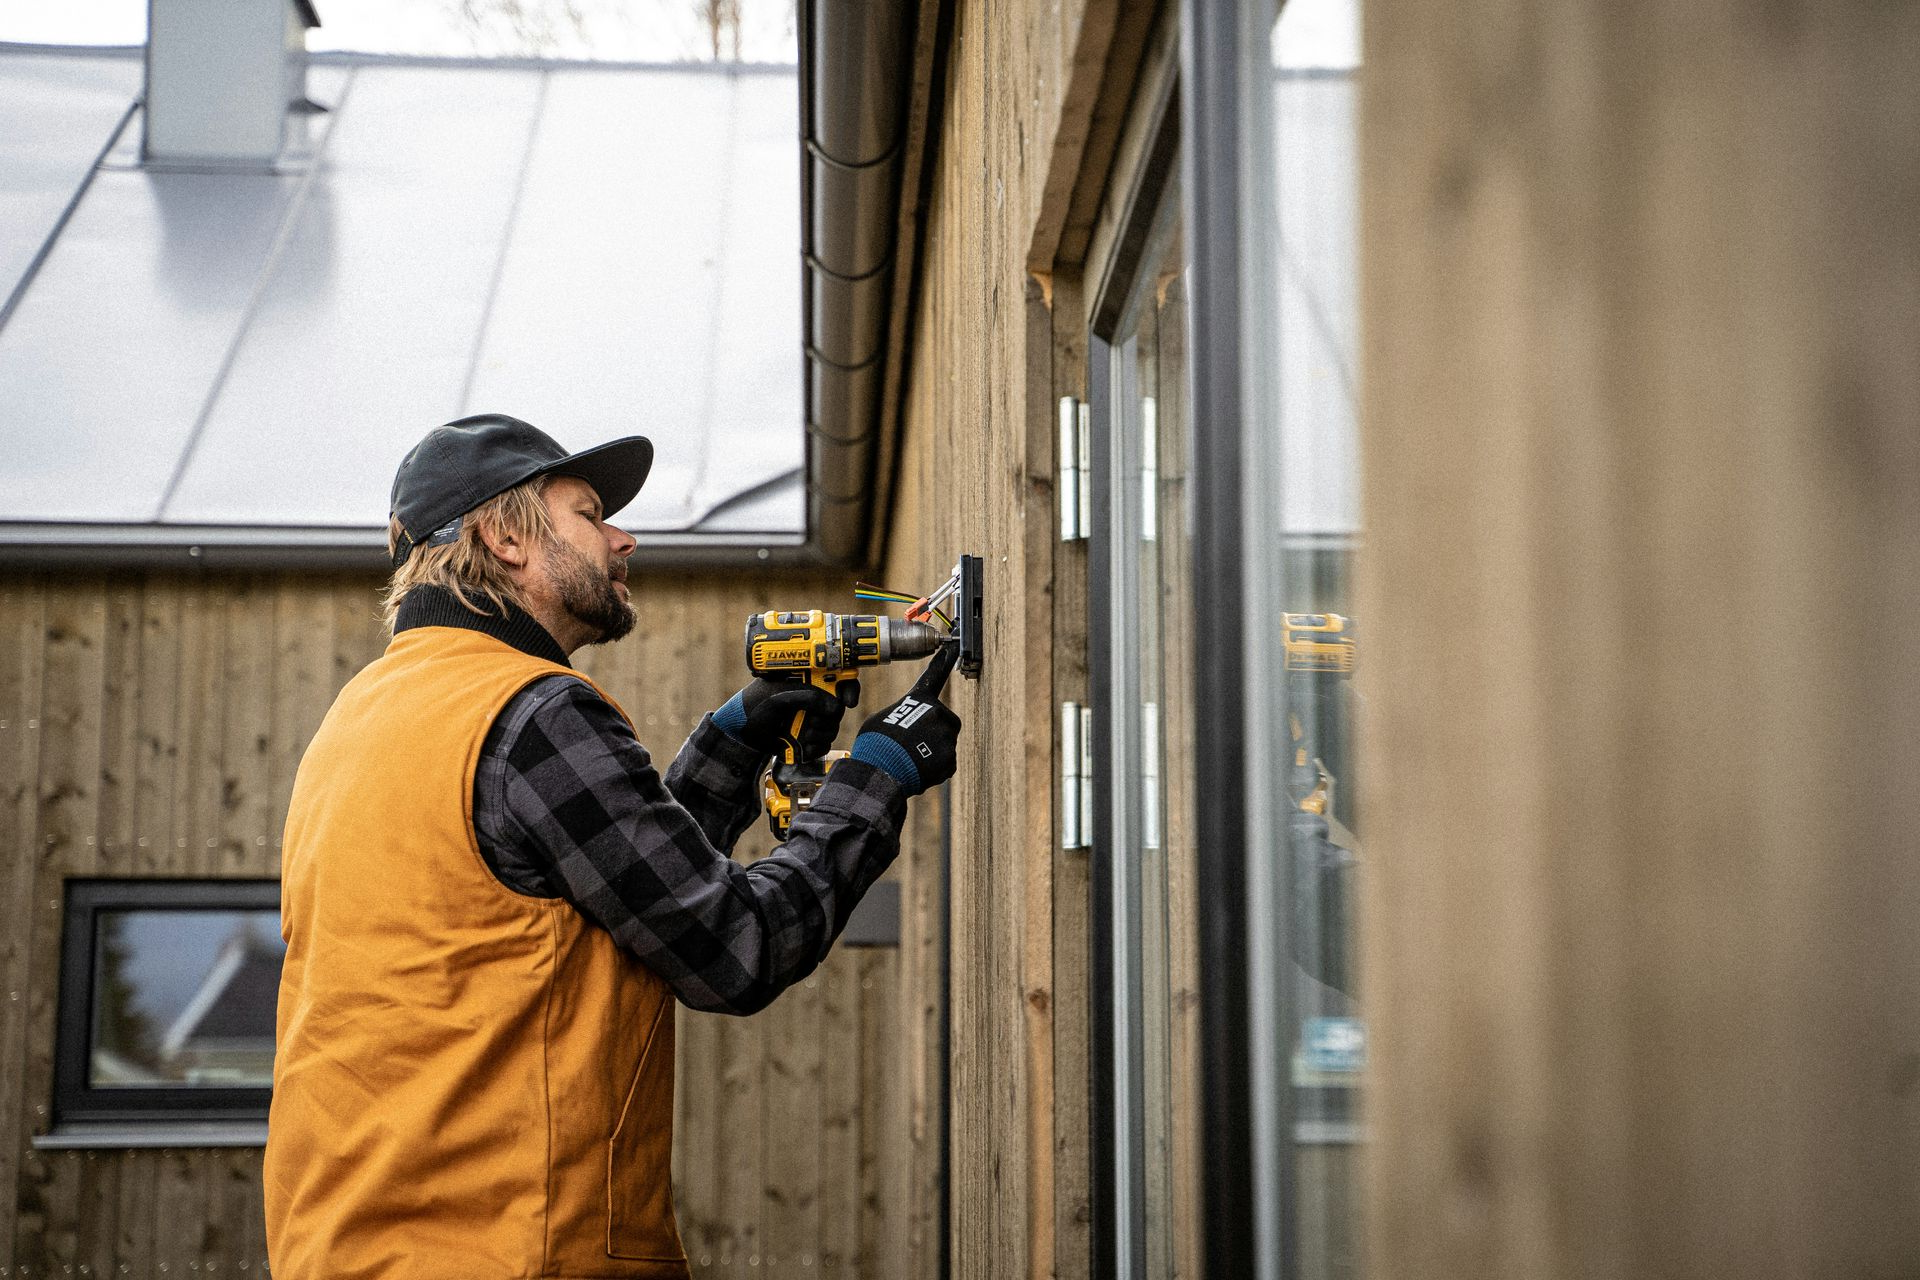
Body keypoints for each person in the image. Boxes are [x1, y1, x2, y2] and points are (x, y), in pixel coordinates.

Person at [263, 414, 962, 1280]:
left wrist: (735, 741)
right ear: (502, 539)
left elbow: (607, 906)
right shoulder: (534, 711)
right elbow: (732, 947)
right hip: (519, 1255)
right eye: (590, 514)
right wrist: (877, 777)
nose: (623, 538)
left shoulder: (360, 721)